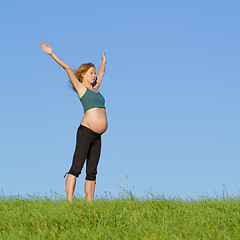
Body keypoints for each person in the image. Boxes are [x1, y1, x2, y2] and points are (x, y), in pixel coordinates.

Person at [40, 42, 108, 203]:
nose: (94, 76)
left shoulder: (96, 88)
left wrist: (103, 62)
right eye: (91, 73)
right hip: (86, 132)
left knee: (92, 171)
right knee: (76, 167)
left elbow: (101, 72)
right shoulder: (81, 88)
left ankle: (89, 204)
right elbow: (68, 68)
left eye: (94, 73)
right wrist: (51, 53)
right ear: (83, 74)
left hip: (98, 136)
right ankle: (70, 202)